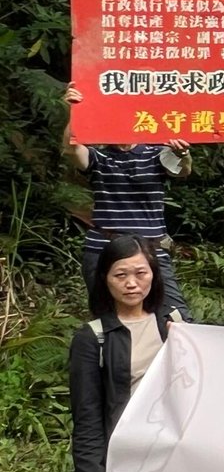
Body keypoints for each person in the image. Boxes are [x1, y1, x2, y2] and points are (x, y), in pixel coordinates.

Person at [69, 236, 186, 472]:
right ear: (105, 279)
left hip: (175, 443)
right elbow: (87, 413)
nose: (132, 284)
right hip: (129, 450)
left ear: (154, 275)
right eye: (121, 275)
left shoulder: (174, 325)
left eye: (141, 273)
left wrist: (186, 341)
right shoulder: (93, 338)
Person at [61, 84, 192, 318]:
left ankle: (165, 356)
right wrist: (76, 110)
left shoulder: (156, 152)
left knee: (176, 318)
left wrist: (184, 155)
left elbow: (182, 170)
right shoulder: (99, 156)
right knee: (109, 319)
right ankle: (114, 356)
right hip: (103, 248)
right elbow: (72, 150)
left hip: (151, 249)